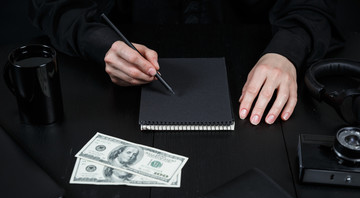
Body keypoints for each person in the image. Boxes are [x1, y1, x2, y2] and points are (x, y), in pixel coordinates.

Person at [29, 0, 343, 125]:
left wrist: (286, 51)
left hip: (254, 66)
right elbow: (54, 5)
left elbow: (316, 4)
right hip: (121, 91)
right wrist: (101, 44)